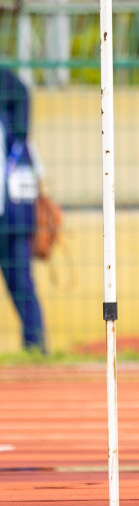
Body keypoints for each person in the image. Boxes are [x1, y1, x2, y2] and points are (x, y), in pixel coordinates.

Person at [0, 70, 42, 353]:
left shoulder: (18, 141)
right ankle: (36, 345)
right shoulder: (21, 142)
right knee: (23, 284)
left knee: (22, 284)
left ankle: (36, 346)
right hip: (16, 219)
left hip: (13, 220)